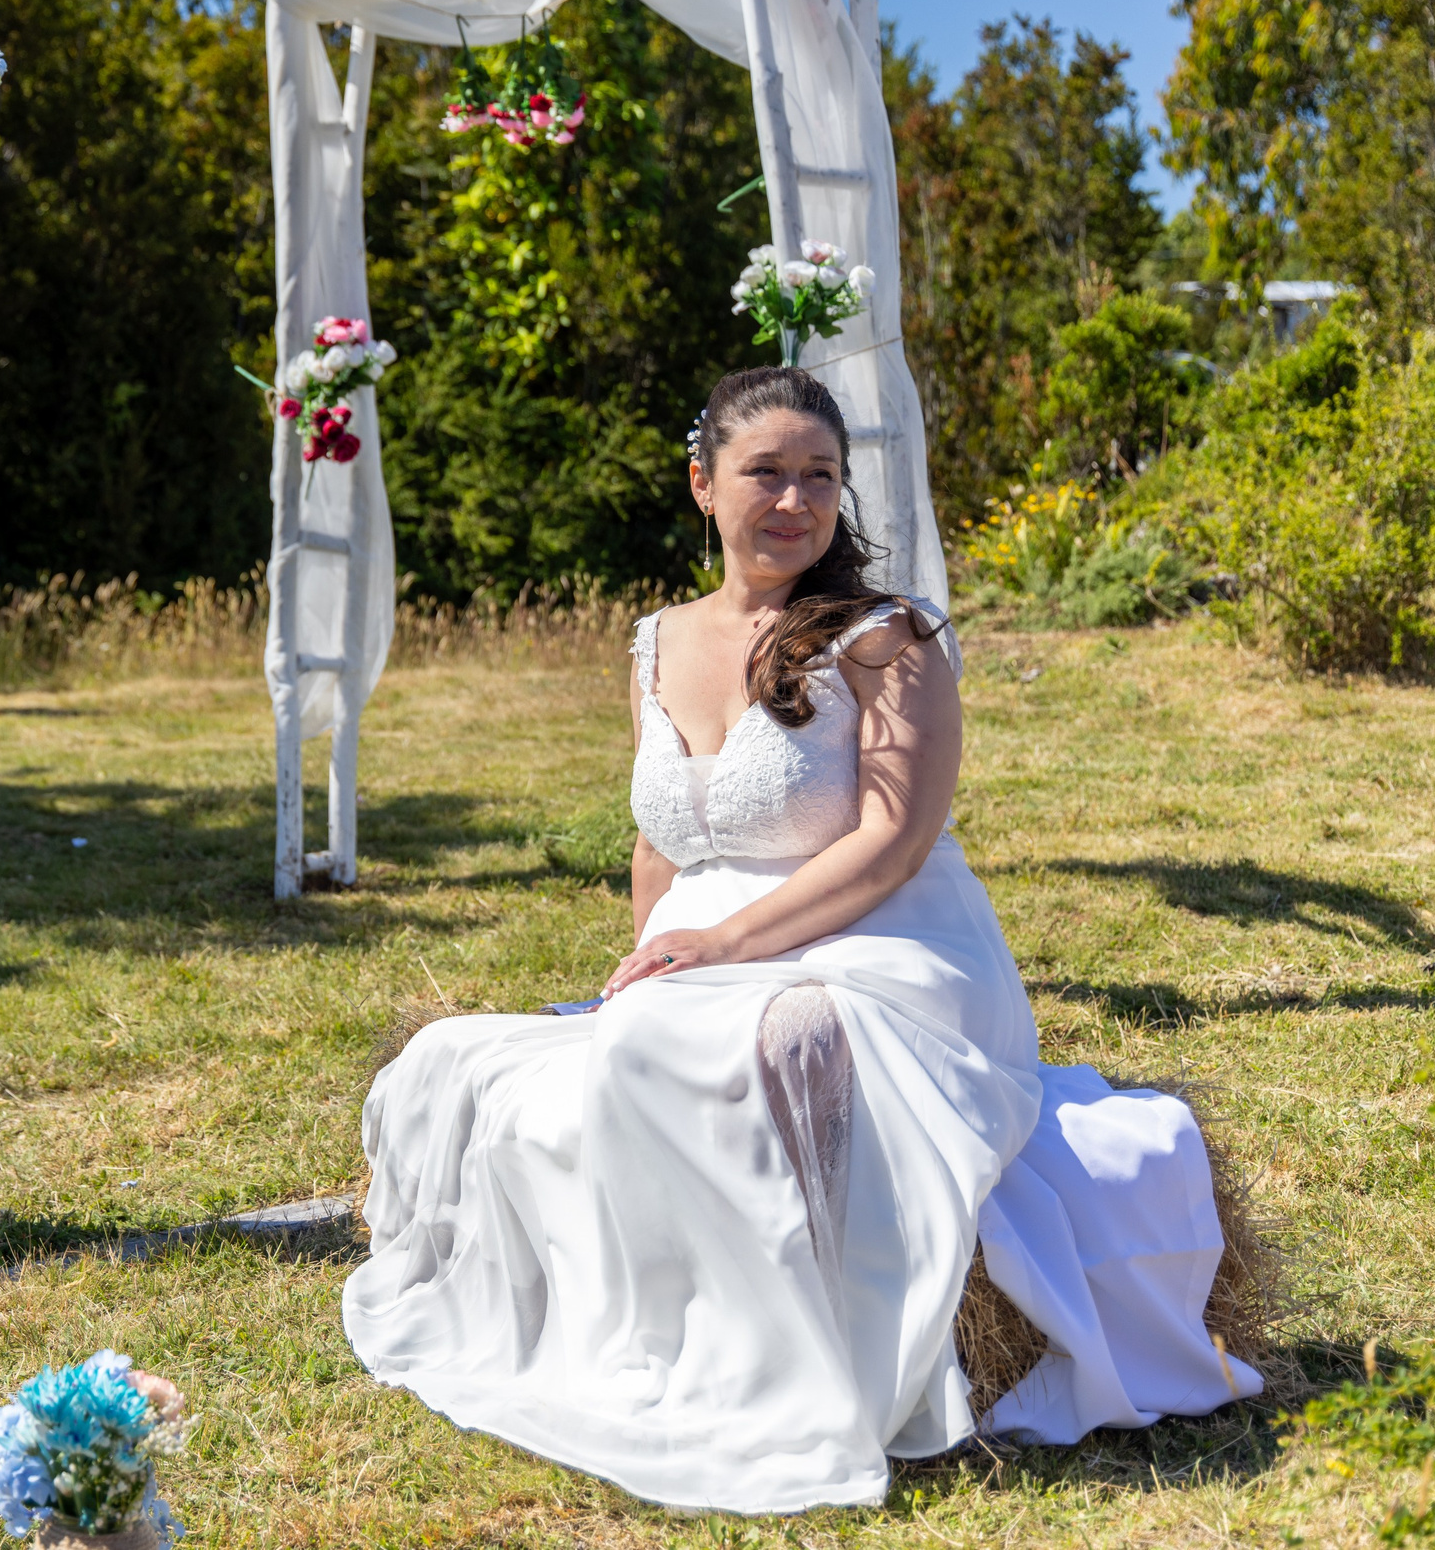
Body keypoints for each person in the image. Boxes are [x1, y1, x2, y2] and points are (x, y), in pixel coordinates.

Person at [344, 366, 1254, 1513]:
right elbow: (655, 843)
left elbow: (891, 842)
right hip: (706, 947)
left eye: (817, 475)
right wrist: (647, 965)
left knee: (708, 1051)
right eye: (763, 472)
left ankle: (794, 1360)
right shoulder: (654, 641)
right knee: (463, 1066)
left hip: (884, 943)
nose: (793, 500)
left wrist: (723, 946)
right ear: (701, 484)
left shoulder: (887, 638)